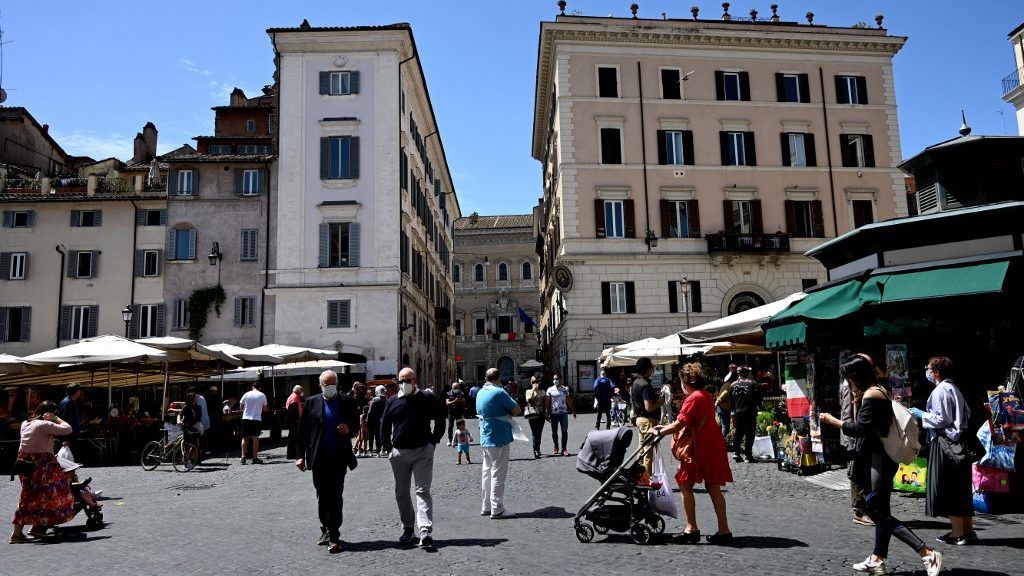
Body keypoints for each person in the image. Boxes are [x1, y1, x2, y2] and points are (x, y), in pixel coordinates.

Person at [820, 354, 943, 576]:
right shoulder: (878, 390)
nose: (848, 381)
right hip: (880, 459)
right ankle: (877, 559)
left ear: (855, 376)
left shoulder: (872, 394)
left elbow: (861, 429)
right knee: (880, 511)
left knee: (878, 512)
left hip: (878, 460)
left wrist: (833, 421)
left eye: (848, 377)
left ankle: (927, 553)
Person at [653, 363, 734, 545]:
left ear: (685, 381)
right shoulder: (706, 395)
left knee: (685, 484)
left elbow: (679, 425)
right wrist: (665, 428)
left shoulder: (693, 398)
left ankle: (691, 528)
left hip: (699, 447)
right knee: (713, 486)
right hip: (713, 444)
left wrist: (659, 432)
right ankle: (724, 530)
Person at [911, 356, 976, 546]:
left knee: (950, 486)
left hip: (946, 442)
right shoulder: (954, 389)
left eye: (928, 369)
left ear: (936, 372)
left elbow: (942, 419)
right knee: (961, 487)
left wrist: (922, 414)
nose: (927, 372)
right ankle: (967, 530)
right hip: (958, 443)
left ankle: (958, 533)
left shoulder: (941, 390)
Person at [295, 370, 359, 554]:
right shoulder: (311, 402)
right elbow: (303, 432)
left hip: (339, 457)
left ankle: (334, 536)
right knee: (322, 496)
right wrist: (300, 456)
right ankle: (325, 529)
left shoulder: (347, 401)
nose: (329, 388)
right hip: (318, 458)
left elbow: (355, 425)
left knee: (336, 496)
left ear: (337, 384)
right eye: (326, 385)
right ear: (320, 385)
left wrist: (349, 429)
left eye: (332, 384)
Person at [381, 367, 445, 548]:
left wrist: (433, 442)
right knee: (401, 492)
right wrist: (388, 449)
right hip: (399, 453)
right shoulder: (392, 401)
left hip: (422, 451)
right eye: (400, 381)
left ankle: (424, 530)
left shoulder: (427, 397)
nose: (403, 384)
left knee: (422, 490)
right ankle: (408, 528)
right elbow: (384, 424)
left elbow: (440, 419)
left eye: (407, 381)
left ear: (415, 381)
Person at [10, 401, 75, 543]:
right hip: (42, 464)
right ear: (49, 413)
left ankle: (18, 533)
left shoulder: (25, 423)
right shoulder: (44, 424)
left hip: (24, 463)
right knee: (51, 496)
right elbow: (68, 429)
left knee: (27, 496)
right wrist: (55, 419)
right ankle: (37, 528)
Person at [476, 368, 521, 518]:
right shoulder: (499, 392)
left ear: (486, 378)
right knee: (498, 474)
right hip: (499, 438)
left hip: (485, 437)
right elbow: (516, 410)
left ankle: (486, 506)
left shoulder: (480, 392)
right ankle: (497, 508)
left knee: (486, 473)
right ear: (498, 378)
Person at [840, 369, 872, 526]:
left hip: (858, 434)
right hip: (854, 435)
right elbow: (847, 413)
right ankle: (858, 511)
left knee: (862, 472)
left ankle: (864, 507)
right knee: (856, 473)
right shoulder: (849, 386)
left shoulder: (857, 386)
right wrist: (851, 434)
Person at [631, 358, 663, 474]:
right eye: (651, 368)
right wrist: (659, 402)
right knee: (648, 451)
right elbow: (648, 407)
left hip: (640, 419)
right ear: (647, 369)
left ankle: (637, 474)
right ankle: (646, 478)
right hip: (647, 420)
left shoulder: (635, 383)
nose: (652, 371)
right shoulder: (645, 385)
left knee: (641, 449)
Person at [729, 367, 761, 463]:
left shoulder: (733, 384)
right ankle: (748, 455)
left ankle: (736, 452)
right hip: (750, 411)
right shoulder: (753, 383)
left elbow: (731, 400)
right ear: (747, 373)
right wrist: (759, 406)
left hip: (738, 411)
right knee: (749, 433)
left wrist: (733, 411)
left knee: (738, 432)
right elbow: (758, 397)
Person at [545, 374, 575, 456]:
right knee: (554, 432)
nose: (555, 380)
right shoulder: (550, 389)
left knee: (564, 431)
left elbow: (569, 400)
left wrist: (573, 411)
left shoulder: (565, 389)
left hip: (563, 413)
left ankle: (564, 449)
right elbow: (547, 402)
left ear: (561, 379)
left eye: (557, 379)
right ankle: (556, 446)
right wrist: (546, 412)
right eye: (554, 379)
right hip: (553, 414)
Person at [239, 382, 268, 464]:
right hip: (256, 418)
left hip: (246, 418)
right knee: (255, 438)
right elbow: (265, 409)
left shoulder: (246, 394)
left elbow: (241, 407)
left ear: (252, 387)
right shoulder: (262, 395)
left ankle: (243, 457)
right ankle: (254, 458)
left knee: (245, 438)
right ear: (260, 388)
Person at [523, 377, 546, 459]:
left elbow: (545, 402)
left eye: (536, 381)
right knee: (534, 432)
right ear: (531, 383)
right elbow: (529, 400)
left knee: (539, 432)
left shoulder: (542, 391)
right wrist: (533, 390)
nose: (535, 383)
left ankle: (538, 448)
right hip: (532, 413)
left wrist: (546, 413)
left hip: (541, 414)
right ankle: (535, 449)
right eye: (533, 382)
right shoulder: (528, 391)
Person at [56, 383, 81, 450]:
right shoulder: (68, 403)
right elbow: (64, 421)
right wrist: (66, 439)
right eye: (79, 390)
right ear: (77, 392)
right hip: (68, 438)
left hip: (69, 437)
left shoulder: (68, 402)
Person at [367, 385, 387, 457]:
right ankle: (378, 451)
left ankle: (371, 451)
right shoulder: (385, 400)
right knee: (378, 436)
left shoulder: (374, 399)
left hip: (372, 420)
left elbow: (370, 411)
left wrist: (367, 420)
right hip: (380, 420)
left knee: (371, 436)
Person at [445, 381, 466, 446]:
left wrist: (461, 401)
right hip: (451, 412)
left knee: (459, 426)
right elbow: (447, 403)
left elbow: (464, 402)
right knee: (450, 426)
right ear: (452, 387)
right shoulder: (448, 393)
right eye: (455, 387)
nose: (456, 389)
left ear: (459, 387)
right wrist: (454, 401)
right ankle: (450, 439)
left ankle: (457, 440)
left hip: (459, 411)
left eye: (457, 387)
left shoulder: (461, 393)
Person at [286, 385, 304, 460]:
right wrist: (297, 420)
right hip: (294, 422)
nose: (302, 393)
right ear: (298, 391)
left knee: (291, 437)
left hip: (291, 421)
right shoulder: (295, 398)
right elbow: (293, 411)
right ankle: (293, 454)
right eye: (301, 391)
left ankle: (291, 454)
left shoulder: (291, 396)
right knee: (294, 437)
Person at [206, 385, 223, 452]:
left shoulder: (208, 397)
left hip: (212, 417)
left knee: (212, 433)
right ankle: (217, 447)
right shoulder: (219, 397)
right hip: (217, 418)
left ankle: (212, 447)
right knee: (217, 433)